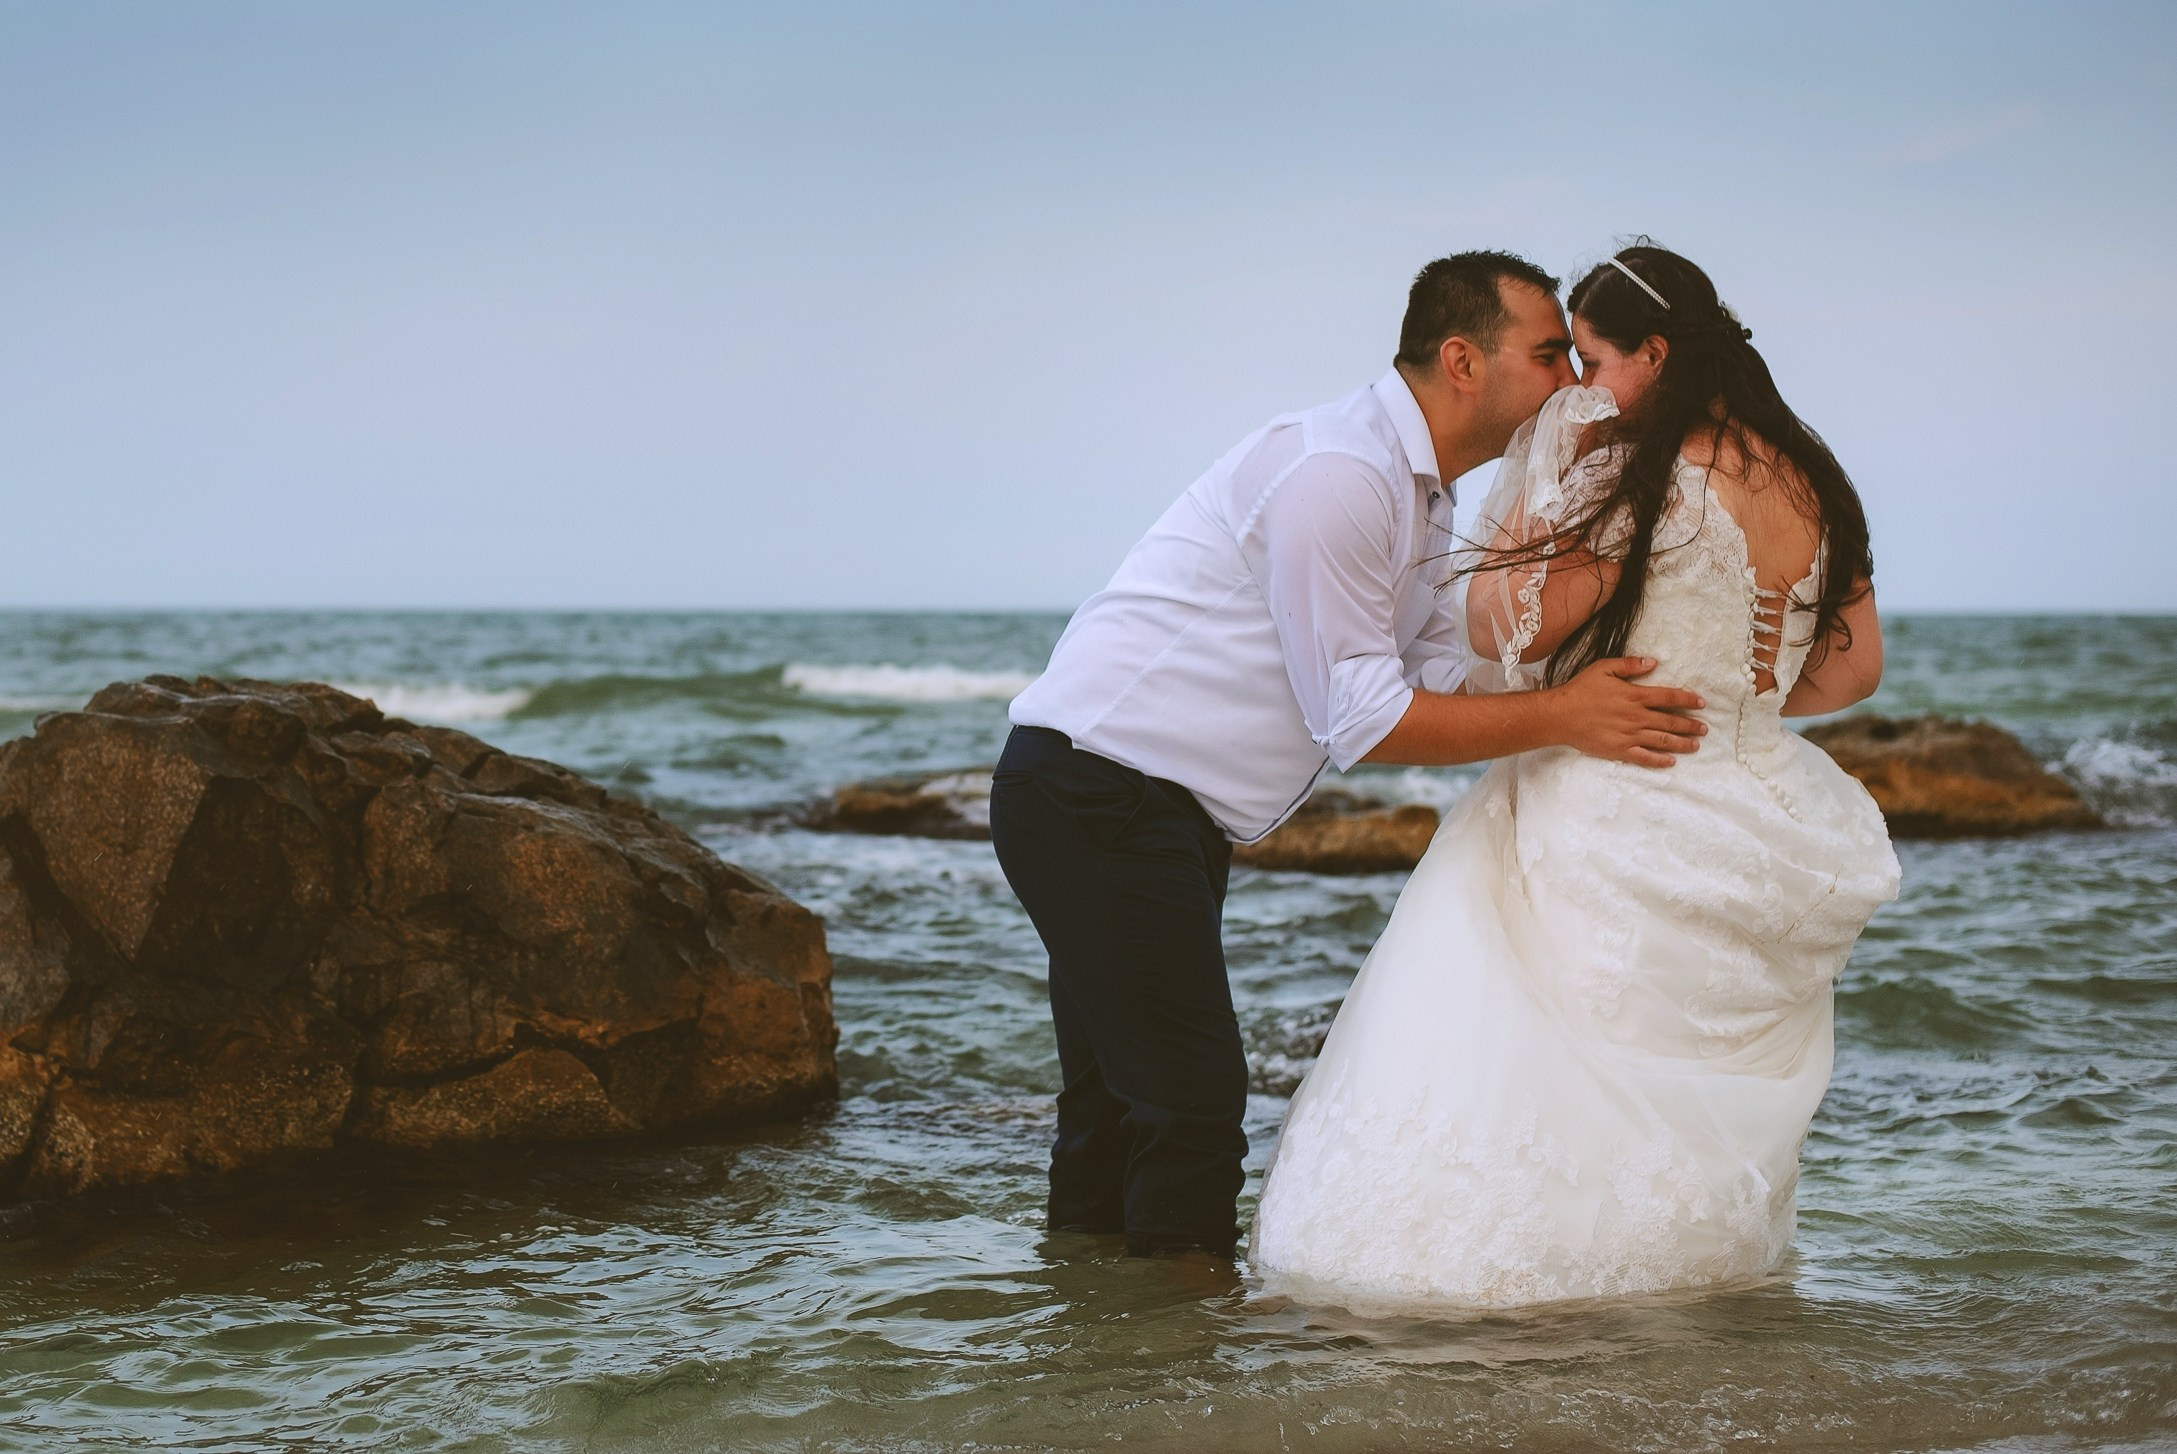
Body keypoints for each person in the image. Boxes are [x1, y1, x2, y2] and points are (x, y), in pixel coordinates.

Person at [992, 250, 1712, 1260]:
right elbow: (1364, 719)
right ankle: (1178, 1381)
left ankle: (1097, 1365)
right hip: (1093, 792)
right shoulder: (1340, 474)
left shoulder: (1422, 495)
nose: (1568, 380)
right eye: (1549, 353)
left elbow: (1435, 672)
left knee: (1119, 1105)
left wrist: (1598, 643)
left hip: (1146, 807)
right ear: (1462, 360)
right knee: (1192, 1105)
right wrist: (1562, 716)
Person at [1248, 243, 1902, 1309]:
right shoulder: (1810, 477)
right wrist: (1725, 697)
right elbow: (1850, 667)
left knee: (1537, 1065)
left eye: (1592, 360)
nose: (1577, 387)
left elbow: (1502, 634)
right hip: (1752, 807)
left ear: (1653, 352)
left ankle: (1521, 1288)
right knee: (1667, 1095)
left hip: (1618, 797)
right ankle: (1677, 1288)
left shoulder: (1635, 475)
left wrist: (1536, 482)